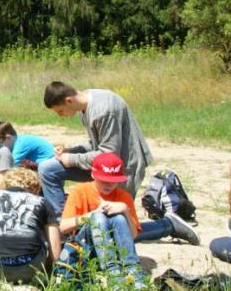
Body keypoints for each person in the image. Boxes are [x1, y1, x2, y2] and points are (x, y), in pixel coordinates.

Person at [39, 81, 154, 220]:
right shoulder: (84, 106)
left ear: (69, 100)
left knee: (114, 223)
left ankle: (168, 225)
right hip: (101, 167)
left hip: (120, 169)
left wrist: (71, 159)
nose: (60, 116)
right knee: (48, 168)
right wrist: (72, 151)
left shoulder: (103, 110)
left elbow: (109, 154)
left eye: (60, 111)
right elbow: (97, 144)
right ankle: (63, 224)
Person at [57, 152, 147, 290]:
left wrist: (125, 210)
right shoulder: (80, 191)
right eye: (103, 180)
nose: (108, 185)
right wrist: (91, 215)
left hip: (116, 249)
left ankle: (132, 270)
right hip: (88, 249)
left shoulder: (124, 197)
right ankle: (112, 273)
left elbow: (133, 236)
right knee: (98, 217)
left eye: (113, 181)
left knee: (119, 218)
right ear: (93, 175)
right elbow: (63, 227)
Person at [0, 168, 61, 290]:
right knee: (39, 235)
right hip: (28, 269)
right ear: (36, 189)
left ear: (5, 185)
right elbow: (55, 247)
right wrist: (51, 272)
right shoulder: (42, 201)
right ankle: (36, 282)